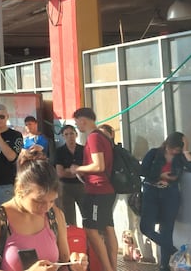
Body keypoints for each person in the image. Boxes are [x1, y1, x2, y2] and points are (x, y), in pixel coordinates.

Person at [0, 149, 88, 271]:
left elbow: (64, 262)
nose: (46, 208)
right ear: (20, 190)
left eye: (51, 201)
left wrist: (74, 264)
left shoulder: (54, 215)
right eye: (39, 201)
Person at [139, 132, 191, 271]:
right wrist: (159, 175)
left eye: (177, 149)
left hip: (170, 194)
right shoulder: (153, 153)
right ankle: (175, 250)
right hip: (151, 192)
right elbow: (142, 170)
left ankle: (165, 266)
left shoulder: (181, 157)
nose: (174, 151)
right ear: (167, 144)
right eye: (172, 148)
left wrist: (186, 151)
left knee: (166, 230)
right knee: (146, 227)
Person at [69, 107, 116, 271]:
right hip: (106, 189)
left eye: (77, 122)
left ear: (84, 120)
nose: (77, 126)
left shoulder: (94, 137)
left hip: (98, 189)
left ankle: (107, 268)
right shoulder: (104, 135)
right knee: (109, 228)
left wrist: (78, 169)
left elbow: (99, 165)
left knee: (91, 229)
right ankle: (113, 267)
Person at [54, 124, 84, 226]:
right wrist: (77, 171)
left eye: (71, 133)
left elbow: (87, 170)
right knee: (69, 219)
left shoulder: (83, 150)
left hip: (82, 186)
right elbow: (60, 173)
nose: (69, 136)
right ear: (63, 136)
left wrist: (71, 170)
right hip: (66, 187)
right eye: (66, 134)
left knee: (87, 215)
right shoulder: (59, 151)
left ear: (76, 134)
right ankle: (74, 240)